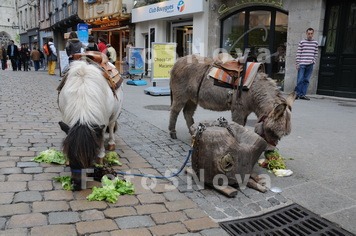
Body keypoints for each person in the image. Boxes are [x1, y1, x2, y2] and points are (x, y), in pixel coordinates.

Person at [295, 28, 318, 100]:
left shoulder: (315, 43)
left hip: (310, 64)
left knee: (306, 80)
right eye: (309, 33)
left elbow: (316, 54)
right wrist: (297, 63)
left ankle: (302, 94)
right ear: (306, 33)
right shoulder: (302, 42)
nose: (310, 35)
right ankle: (297, 94)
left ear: (313, 34)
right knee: (300, 79)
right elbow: (298, 53)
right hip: (302, 63)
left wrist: (313, 61)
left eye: (311, 33)